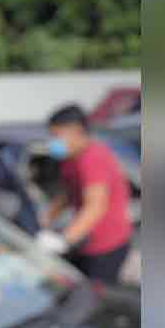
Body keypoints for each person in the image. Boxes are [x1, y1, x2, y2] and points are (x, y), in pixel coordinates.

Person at [37, 104, 133, 284]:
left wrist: (64, 240)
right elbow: (69, 192)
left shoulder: (92, 159)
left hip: (106, 246)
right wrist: (49, 214)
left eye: (57, 136)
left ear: (77, 131)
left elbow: (95, 206)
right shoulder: (71, 158)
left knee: (94, 300)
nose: (53, 141)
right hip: (86, 241)